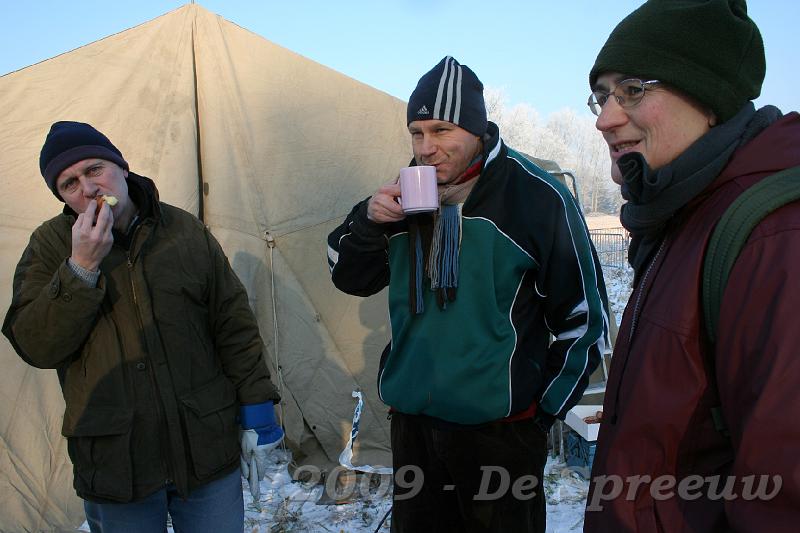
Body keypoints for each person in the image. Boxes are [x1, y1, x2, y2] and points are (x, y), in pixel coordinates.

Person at [327, 56, 609, 533]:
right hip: (414, 424)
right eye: (416, 132)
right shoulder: (400, 197)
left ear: (477, 129)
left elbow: (582, 317)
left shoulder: (535, 198)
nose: (426, 147)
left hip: (502, 432)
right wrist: (368, 223)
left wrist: (539, 416)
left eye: (441, 130)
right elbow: (348, 277)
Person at [2, 121, 285, 532]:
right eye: (69, 184)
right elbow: (35, 345)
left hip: (205, 446)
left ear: (121, 166)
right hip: (118, 461)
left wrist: (257, 411)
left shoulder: (183, 230)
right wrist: (80, 268)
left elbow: (232, 323)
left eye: (94, 169)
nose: (88, 188)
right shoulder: (50, 246)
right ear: (63, 198)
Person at [584, 0, 800, 531]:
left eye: (632, 90)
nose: (606, 119)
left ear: (709, 97)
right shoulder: (682, 213)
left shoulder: (772, 236)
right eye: (601, 96)